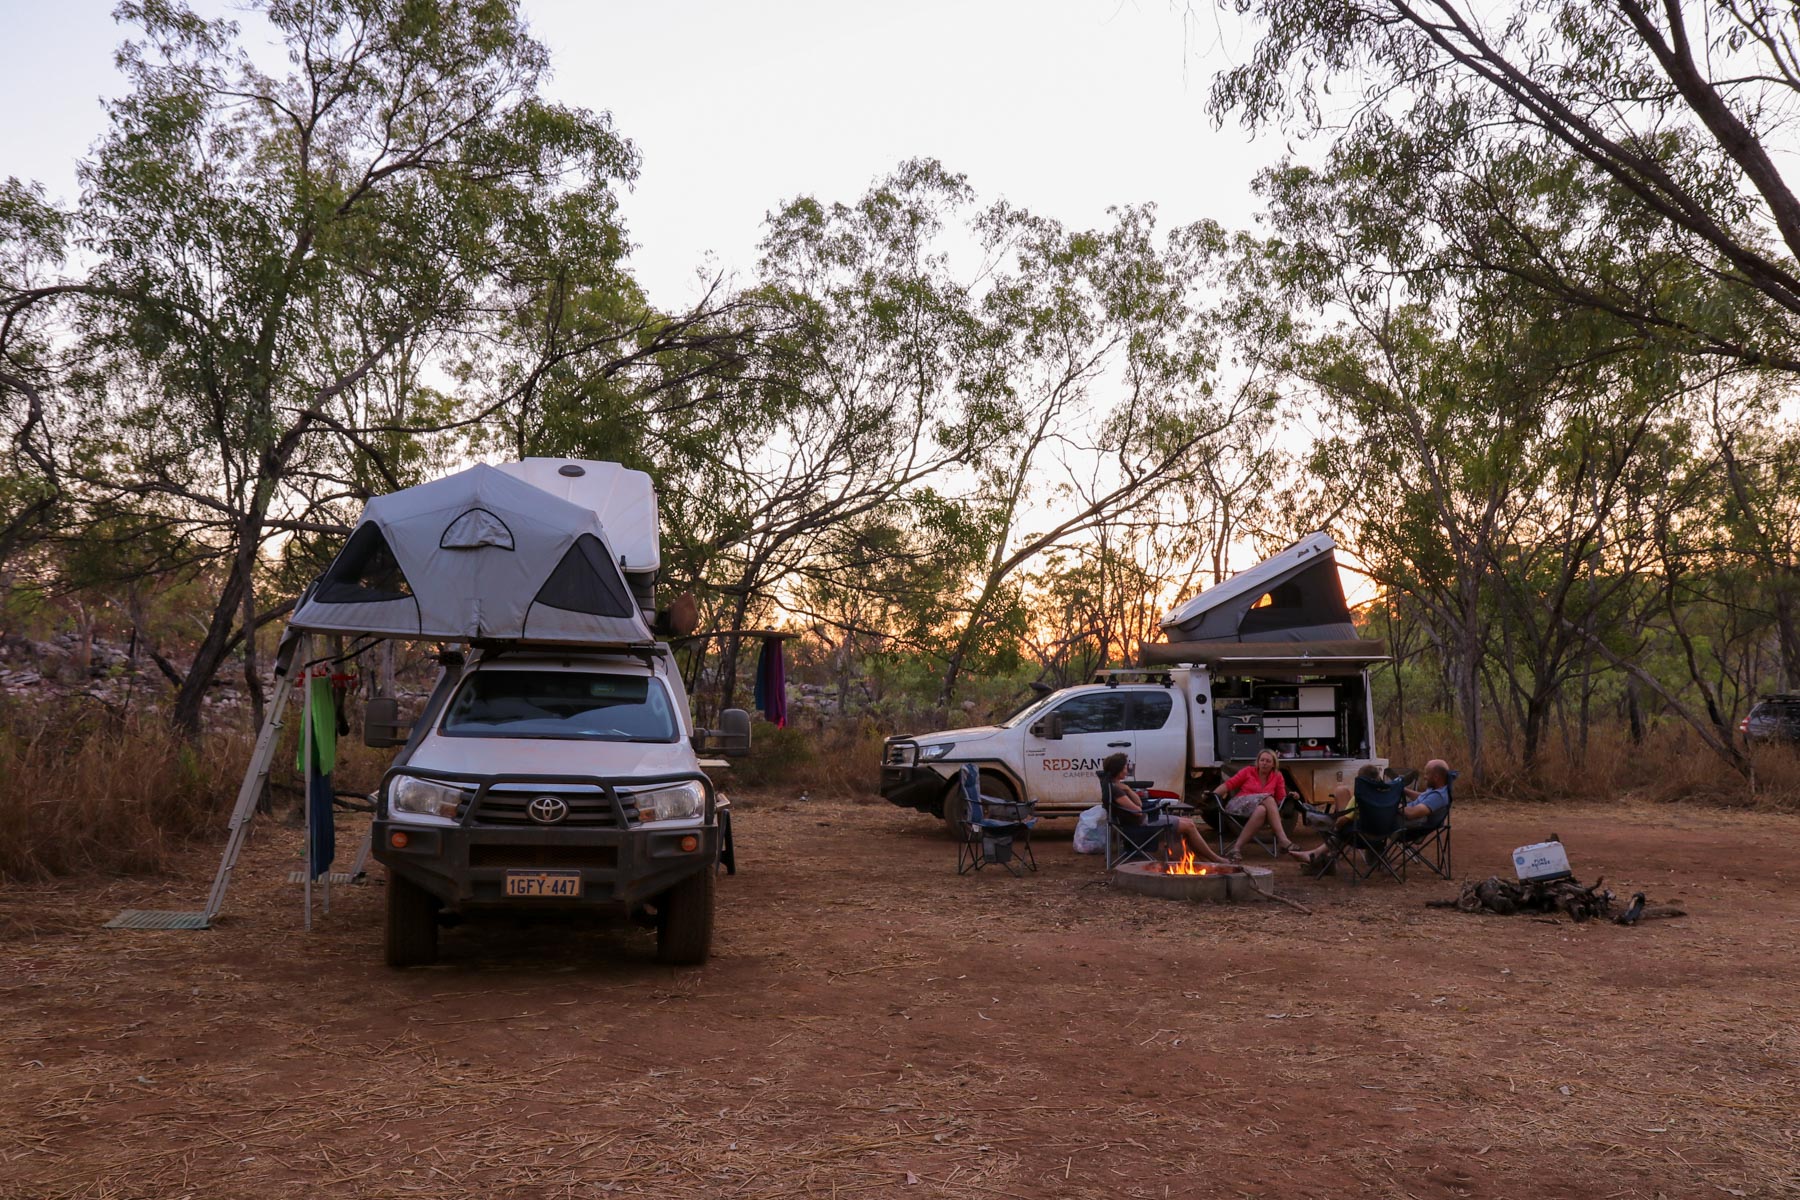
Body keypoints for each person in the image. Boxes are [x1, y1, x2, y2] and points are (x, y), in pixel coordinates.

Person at [1101, 753, 1231, 865]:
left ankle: (1206, 858)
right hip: (1141, 823)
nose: (1127, 769)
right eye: (1125, 767)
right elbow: (1137, 810)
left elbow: (1138, 802)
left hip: (1141, 820)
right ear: (1118, 770)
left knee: (1186, 822)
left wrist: (1128, 789)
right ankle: (1215, 858)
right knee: (1189, 825)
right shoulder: (1116, 790)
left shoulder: (1116, 786)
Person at [1212, 747, 1295, 860]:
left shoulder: (1277, 776)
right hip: (1239, 805)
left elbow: (1281, 799)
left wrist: (1291, 797)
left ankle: (1236, 848)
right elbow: (1229, 784)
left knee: (1262, 809)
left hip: (1259, 810)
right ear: (1258, 761)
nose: (1264, 763)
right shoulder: (1248, 771)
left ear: (1273, 764)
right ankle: (1283, 839)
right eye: (1262, 760)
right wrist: (1213, 794)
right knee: (1269, 798)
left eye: (1268, 761)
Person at [1402, 759, 1454, 825]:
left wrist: (1393, 806)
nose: (1424, 777)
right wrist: (1403, 790)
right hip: (1406, 812)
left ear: (1436, 777)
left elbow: (1411, 813)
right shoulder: (1436, 788)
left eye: (1427, 774)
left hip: (1409, 823)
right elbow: (1423, 797)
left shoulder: (1438, 796)